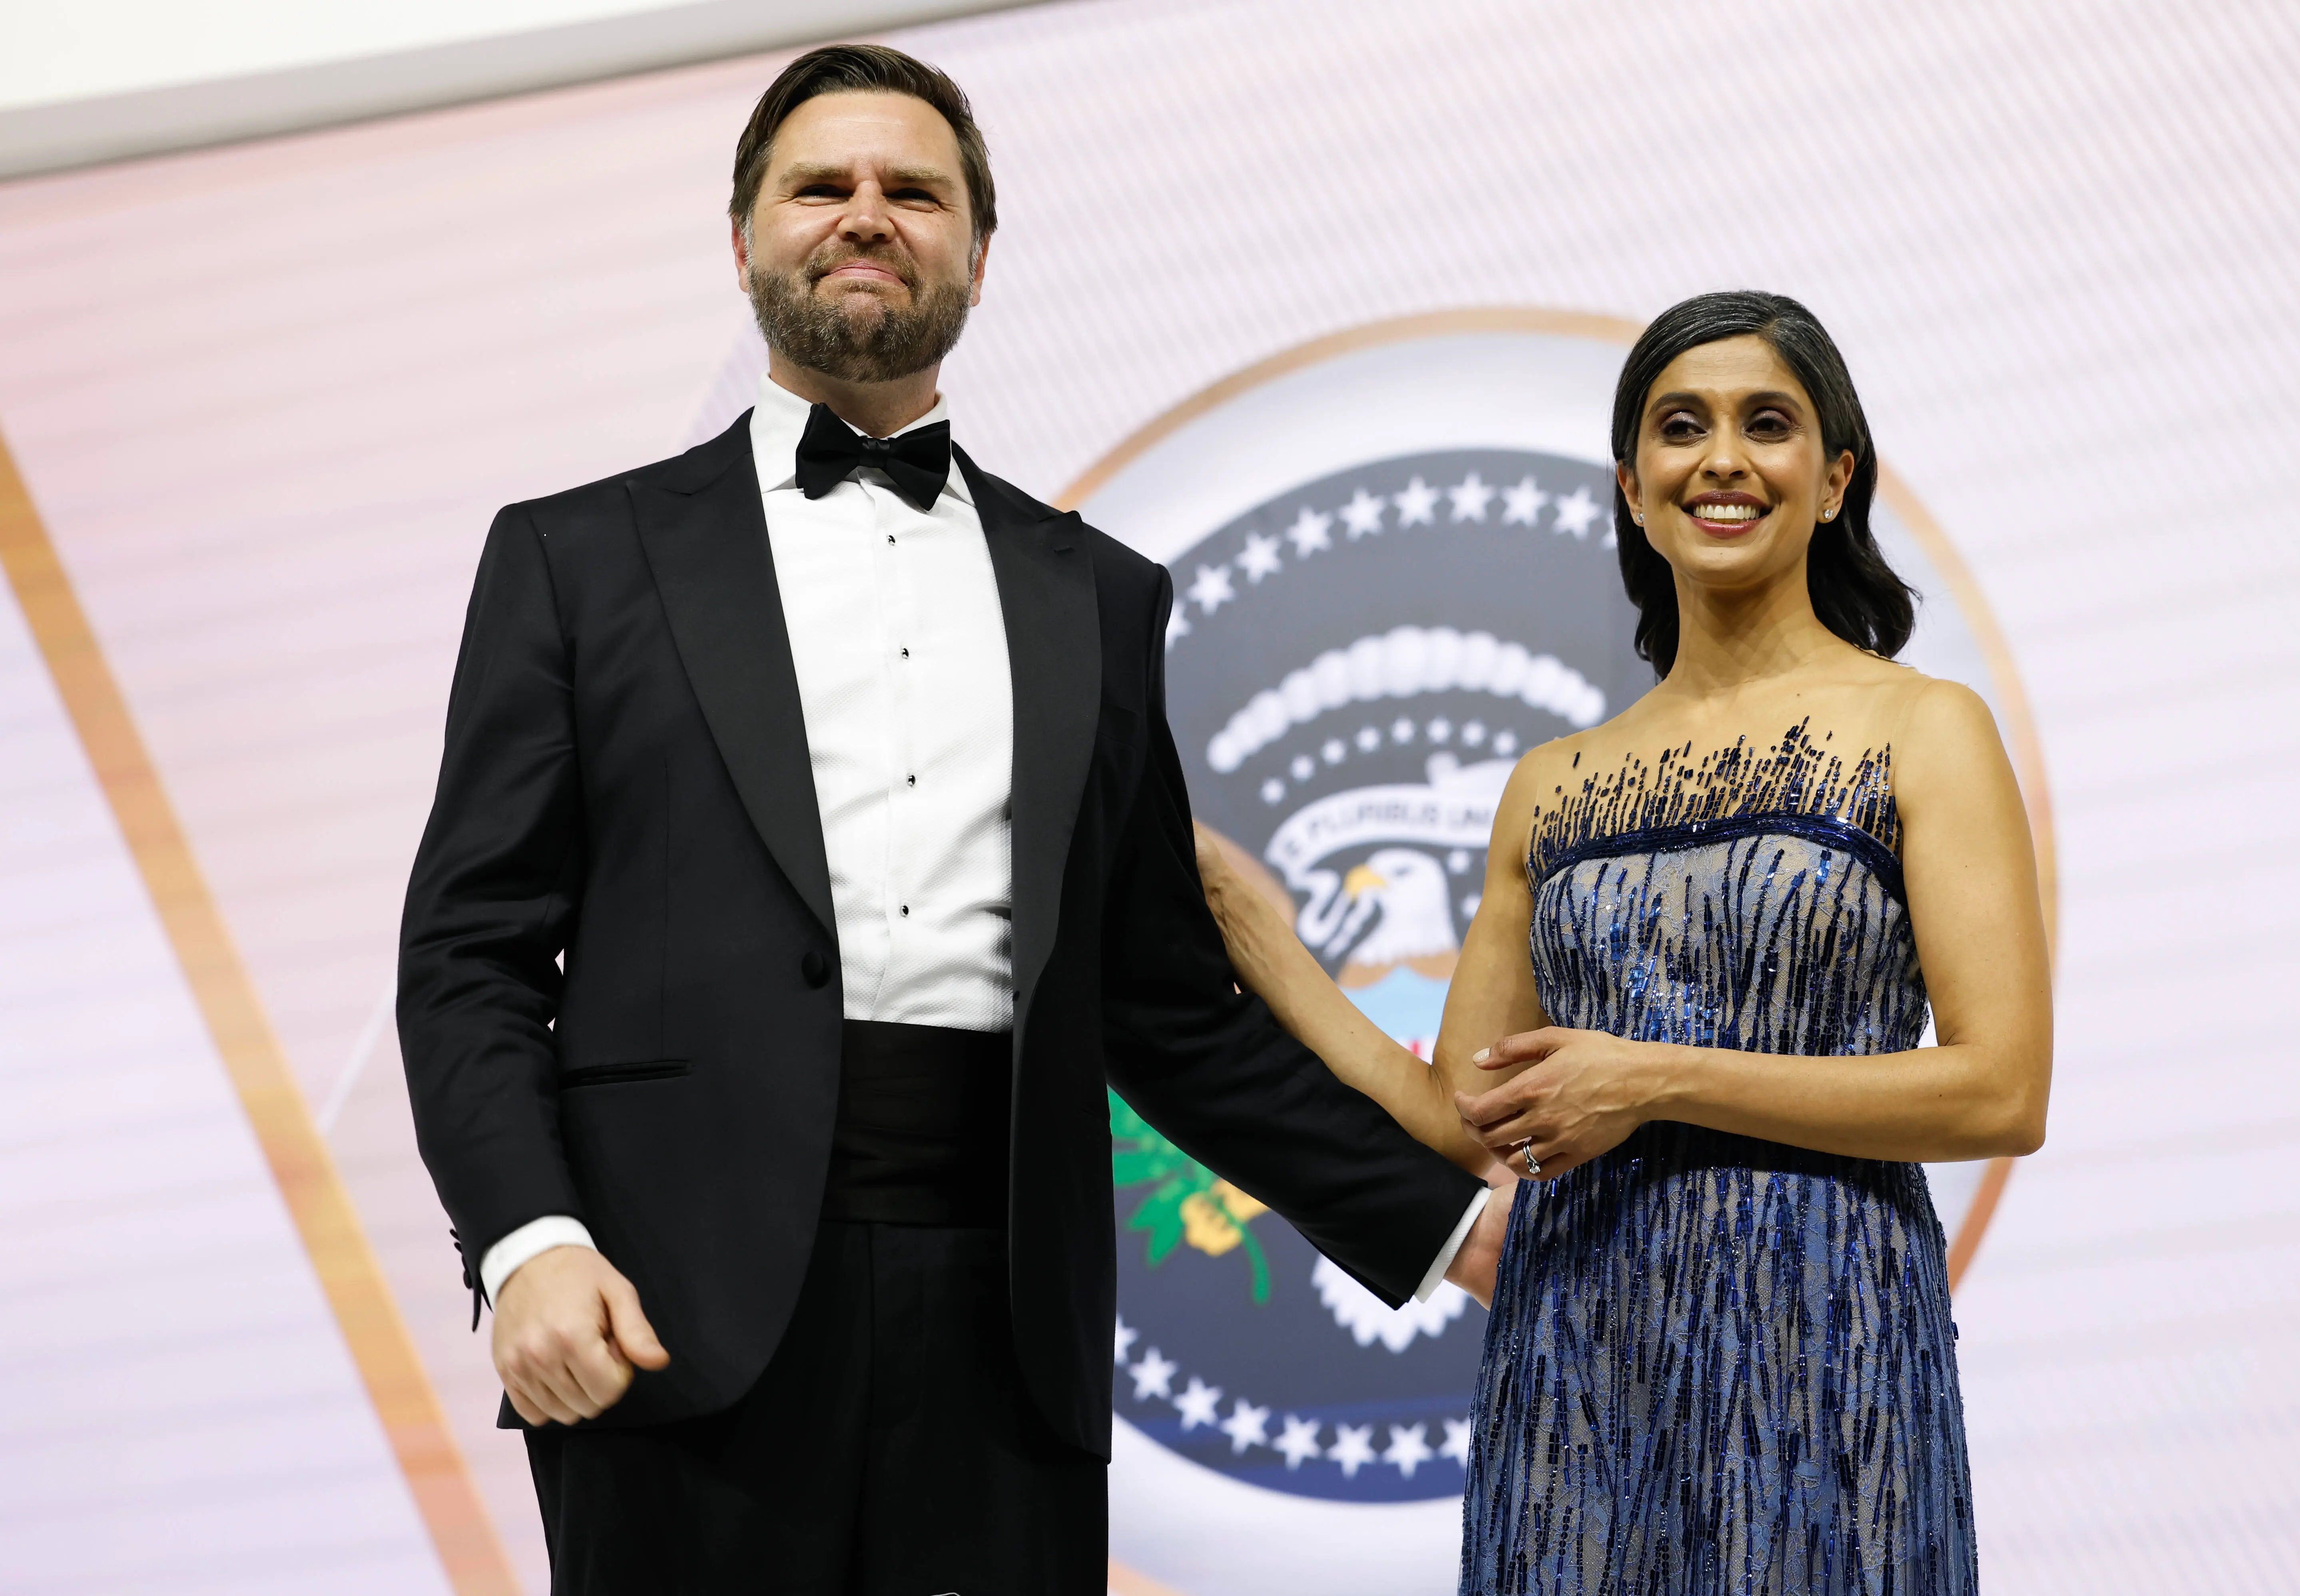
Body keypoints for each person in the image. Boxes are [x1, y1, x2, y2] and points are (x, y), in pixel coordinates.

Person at [396, 44, 1505, 1595]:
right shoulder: (577, 558)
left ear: (978, 254)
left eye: (913, 191)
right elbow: (470, 954)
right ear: (743, 240)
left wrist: (1451, 1223)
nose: (868, 216)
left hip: (1006, 1332)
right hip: (667, 1316)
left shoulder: (1101, 597)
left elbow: (1168, 1006)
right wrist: (526, 1241)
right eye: (821, 186)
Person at [1194, 290, 2051, 1594]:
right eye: (1678, 428)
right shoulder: (1549, 781)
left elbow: (1999, 1089)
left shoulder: (1922, 727)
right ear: (1632, 488)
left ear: (1832, 481)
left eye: (1766, 424)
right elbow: (1462, 1115)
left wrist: (1653, 1079)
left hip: (1827, 1338)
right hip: (1580, 1349)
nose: (1720, 458)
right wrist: (1254, 925)